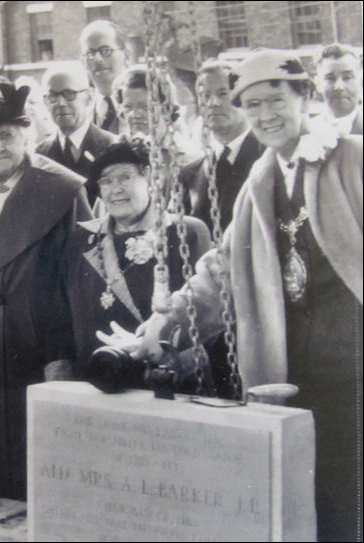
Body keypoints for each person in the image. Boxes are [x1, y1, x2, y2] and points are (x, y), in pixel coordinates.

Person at [102, 49, 362, 542]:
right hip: (296, 373)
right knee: (315, 499)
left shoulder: (353, 159)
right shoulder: (259, 183)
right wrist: (162, 324)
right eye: (253, 105)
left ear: (305, 96)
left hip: (356, 369)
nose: (265, 115)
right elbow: (219, 269)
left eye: (275, 100)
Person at [0, 83, 92, 503]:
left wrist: (62, 355)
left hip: (39, 349)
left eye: (7, 135)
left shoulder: (63, 189)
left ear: (26, 135)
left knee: (38, 464)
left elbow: (80, 279)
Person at [51, 140, 225, 394]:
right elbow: (61, 314)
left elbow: (201, 317)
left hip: (161, 380)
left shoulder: (186, 232)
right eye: (106, 181)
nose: (116, 189)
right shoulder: (81, 239)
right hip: (93, 379)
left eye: (125, 177)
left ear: (150, 180)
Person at [179, 59, 264, 233]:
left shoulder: (266, 160)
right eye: (205, 96)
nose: (213, 103)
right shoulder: (190, 173)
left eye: (223, 93)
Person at [37, 62, 116, 209]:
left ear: (89, 97)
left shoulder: (112, 147)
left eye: (69, 94)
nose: (60, 103)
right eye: (52, 96)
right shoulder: (38, 155)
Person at [113, 65, 201, 168]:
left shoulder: (189, 158)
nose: (135, 115)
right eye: (128, 107)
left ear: (166, 108)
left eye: (145, 107)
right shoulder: (118, 155)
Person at [79, 20, 129, 135]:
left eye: (106, 51)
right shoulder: (81, 119)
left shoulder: (147, 109)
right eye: (90, 53)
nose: (98, 59)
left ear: (125, 55)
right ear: (82, 61)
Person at [316, 43, 362, 135]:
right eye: (330, 78)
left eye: (347, 77)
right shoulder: (312, 130)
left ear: (361, 81)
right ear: (318, 84)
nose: (339, 87)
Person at [15, 75, 56, 145]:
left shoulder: (53, 132)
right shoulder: (12, 132)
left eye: (32, 102)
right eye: (21, 103)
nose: (26, 107)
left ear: (43, 105)